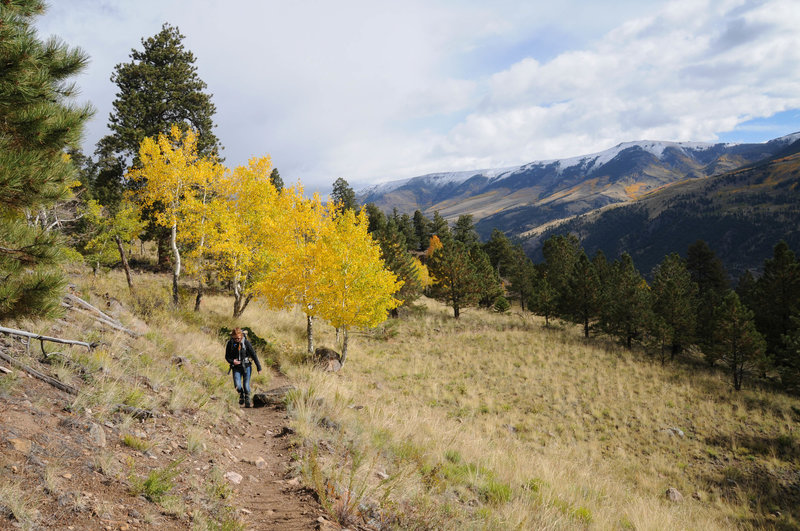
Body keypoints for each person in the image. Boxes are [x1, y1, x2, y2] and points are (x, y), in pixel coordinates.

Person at [225, 327, 262, 407]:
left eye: (238, 338)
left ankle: (247, 398)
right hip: (236, 367)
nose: (236, 340)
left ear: (241, 336)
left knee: (246, 385)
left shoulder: (246, 343)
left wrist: (259, 368)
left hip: (246, 366)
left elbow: (254, 355)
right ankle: (241, 395)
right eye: (234, 338)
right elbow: (227, 357)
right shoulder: (230, 343)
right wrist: (232, 361)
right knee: (237, 385)